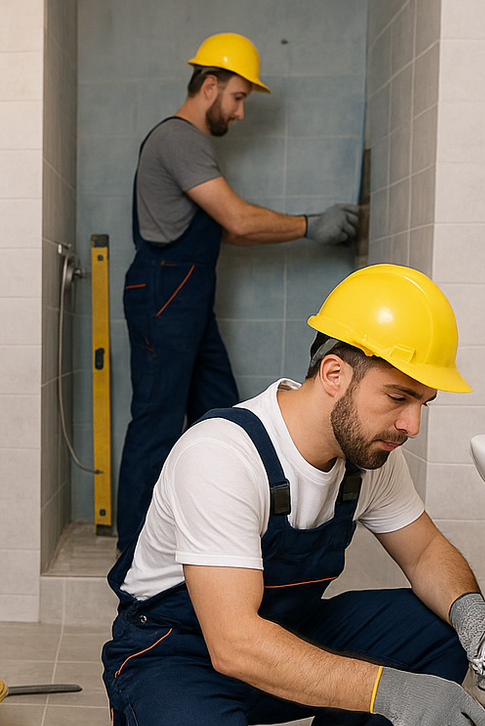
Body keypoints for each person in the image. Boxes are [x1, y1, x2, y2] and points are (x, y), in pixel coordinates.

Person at [102, 264, 485, 726]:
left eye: (422, 403)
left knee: (436, 627)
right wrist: (391, 690)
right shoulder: (222, 456)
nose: (411, 425)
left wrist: (474, 615)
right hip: (180, 652)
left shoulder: (370, 457)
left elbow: (427, 552)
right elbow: (236, 643)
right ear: (334, 375)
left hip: (289, 633)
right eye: (398, 398)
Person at [115, 32, 362, 549]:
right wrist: (311, 224)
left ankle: (225, 532)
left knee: (221, 412)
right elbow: (239, 221)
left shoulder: (190, 144)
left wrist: (302, 229)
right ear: (210, 85)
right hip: (166, 292)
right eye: (238, 97)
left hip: (184, 296)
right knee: (157, 424)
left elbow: (226, 230)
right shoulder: (179, 138)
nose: (241, 112)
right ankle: (135, 554)